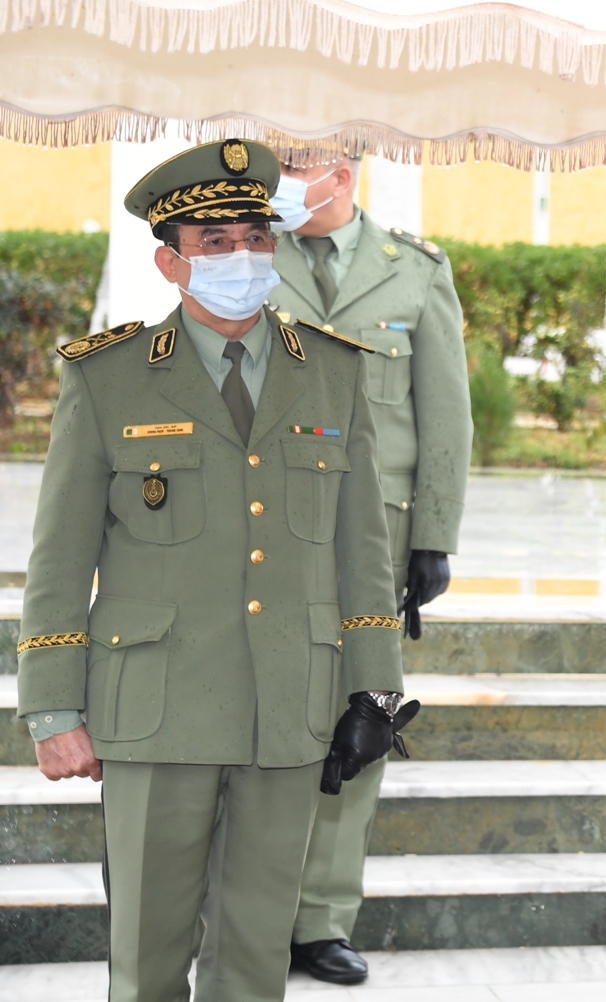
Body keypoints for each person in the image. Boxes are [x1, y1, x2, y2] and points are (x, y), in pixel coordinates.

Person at [19, 139, 411, 1002]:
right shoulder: (110, 380)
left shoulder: (334, 375)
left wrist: (374, 691)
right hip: (154, 710)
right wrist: (51, 707)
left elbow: (363, 553)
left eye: (257, 239)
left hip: (289, 709)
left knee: (255, 960)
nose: (243, 258)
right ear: (170, 261)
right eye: (216, 243)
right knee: (148, 956)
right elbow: (58, 561)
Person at [264, 154, 472, 983]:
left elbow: (444, 404)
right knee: (264, 709)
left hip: (378, 534)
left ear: (339, 169)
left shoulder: (414, 270)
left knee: (362, 716)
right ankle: (252, 908)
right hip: (267, 524)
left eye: (294, 162)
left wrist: (435, 532)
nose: (281, 177)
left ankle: (321, 919)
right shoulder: (248, 256)